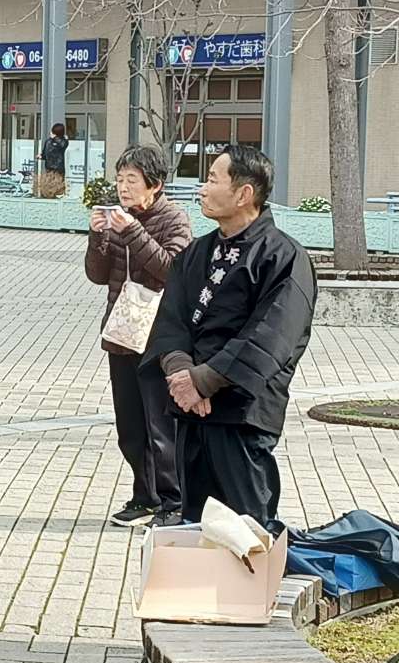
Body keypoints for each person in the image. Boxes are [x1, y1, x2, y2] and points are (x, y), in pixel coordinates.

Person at [142, 145, 317, 525]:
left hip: (241, 413)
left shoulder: (283, 257)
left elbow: (272, 337)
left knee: (247, 529)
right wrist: (181, 372)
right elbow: (171, 321)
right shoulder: (196, 253)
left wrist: (205, 380)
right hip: (191, 409)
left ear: (243, 194)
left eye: (212, 179)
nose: (202, 189)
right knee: (196, 525)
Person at [86, 145, 192, 529]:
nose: (123, 188)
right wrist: (98, 237)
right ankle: (144, 496)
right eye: (120, 179)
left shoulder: (174, 219)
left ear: (155, 184)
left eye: (132, 180)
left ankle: (174, 502)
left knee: (161, 425)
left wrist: (132, 231)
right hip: (123, 333)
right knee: (130, 426)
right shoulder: (118, 218)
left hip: (159, 338)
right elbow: (97, 275)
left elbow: (171, 270)